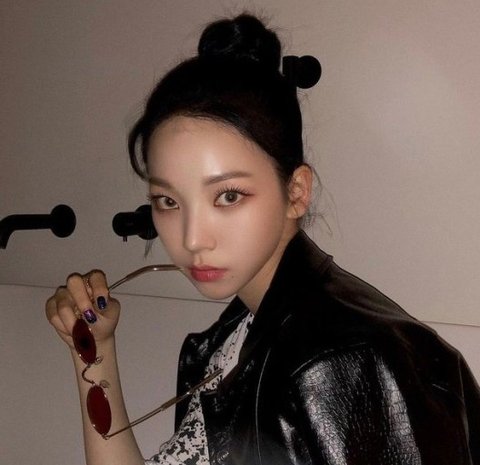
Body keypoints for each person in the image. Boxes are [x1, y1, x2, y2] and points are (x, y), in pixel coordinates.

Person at [46, 13, 480, 465]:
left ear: (296, 192)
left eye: (228, 196)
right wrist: (93, 352)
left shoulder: (341, 362)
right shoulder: (241, 334)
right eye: (168, 201)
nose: (192, 239)